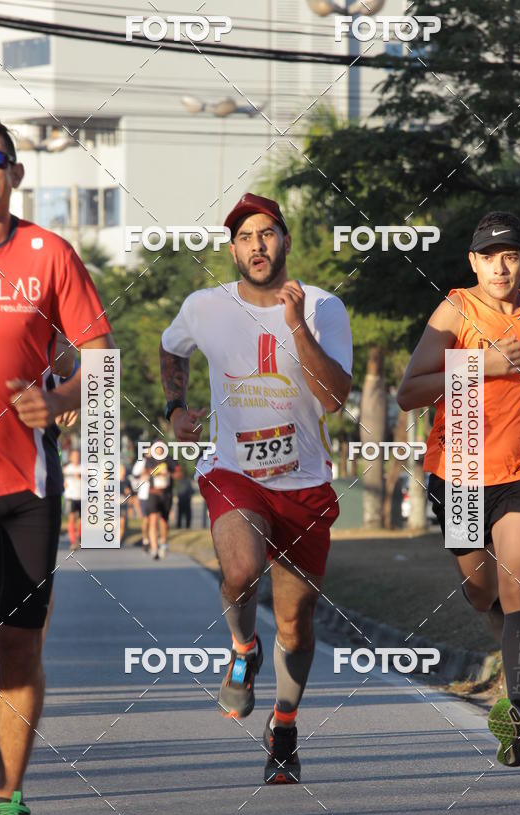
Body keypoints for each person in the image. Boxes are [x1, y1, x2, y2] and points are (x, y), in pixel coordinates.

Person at [159, 192, 352, 783]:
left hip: (304, 483)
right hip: (234, 471)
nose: (257, 246)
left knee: (295, 624)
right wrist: (175, 409)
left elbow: (335, 399)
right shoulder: (204, 306)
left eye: (266, 234)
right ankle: (243, 648)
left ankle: (284, 726)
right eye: (244, 238)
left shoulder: (323, 307)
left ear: (285, 240)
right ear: (233, 250)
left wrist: (295, 327)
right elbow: (171, 348)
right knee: (241, 572)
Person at [397, 211, 520, 768]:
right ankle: (508, 646)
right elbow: (409, 392)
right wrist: (484, 365)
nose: (499, 268)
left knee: (519, 582)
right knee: (482, 593)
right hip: (460, 471)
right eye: (488, 257)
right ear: (472, 263)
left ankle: (516, 714)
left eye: (510, 256)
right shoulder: (455, 311)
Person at [0, 114, 114, 815]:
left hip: (24, 484)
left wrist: (60, 399)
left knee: (20, 648)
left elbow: (100, 360)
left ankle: (7, 801)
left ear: (14, 173)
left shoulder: (49, 254)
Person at [0, 334, 77, 756]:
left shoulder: (36, 299)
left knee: (10, 597)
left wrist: (69, 388)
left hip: (24, 475)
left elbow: (74, 355)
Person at [143, 445, 176, 560]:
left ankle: (163, 544)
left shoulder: (170, 460)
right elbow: (149, 472)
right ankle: (154, 548)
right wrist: (160, 471)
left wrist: (169, 473)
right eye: (157, 448)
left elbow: (178, 474)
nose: (159, 450)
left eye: (161, 447)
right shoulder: (150, 460)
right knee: (153, 520)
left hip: (166, 494)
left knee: (164, 522)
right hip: (153, 493)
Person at [62, 448, 82, 551]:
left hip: (82, 496)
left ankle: (79, 537)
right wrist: (63, 483)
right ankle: (73, 541)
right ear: (70, 457)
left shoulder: (84, 468)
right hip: (70, 496)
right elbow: (61, 479)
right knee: (72, 518)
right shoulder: (67, 469)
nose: (76, 458)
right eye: (74, 456)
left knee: (81, 519)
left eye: (77, 456)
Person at [131, 452, 151, 552]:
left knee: (155, 519)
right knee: (146, 519)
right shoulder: (142, 462)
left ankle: (153, 539)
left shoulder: (159, 461)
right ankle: (145, 540)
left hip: (156, 494)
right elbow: (134, 476)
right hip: (144, 494)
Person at [119, 464, 133, 544]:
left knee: (122, 523)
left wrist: (128, 493)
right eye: (121, 470)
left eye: (124, 470)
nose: (123, 472)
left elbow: (131, 494)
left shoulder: (127, 481)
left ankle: (118, 541)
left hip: (123, 504)